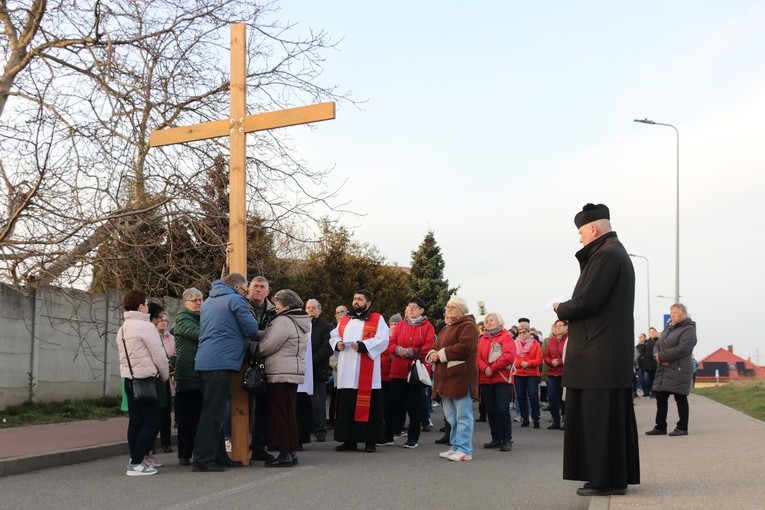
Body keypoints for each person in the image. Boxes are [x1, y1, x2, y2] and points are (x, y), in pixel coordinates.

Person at [554, 203, 640, 497]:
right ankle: (611, 477)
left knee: (599, 422)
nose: (579, 238)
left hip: (598, 357)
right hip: (604, 356)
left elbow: (588, 301)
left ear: (593, 229)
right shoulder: (614, 252)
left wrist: (560, 308)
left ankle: (604, 480)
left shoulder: (606, 254)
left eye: (580, 232)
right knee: (606, 421)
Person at [192, 273, 260, 472]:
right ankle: (203, 460)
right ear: (239, 288)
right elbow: (252, 328)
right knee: (212, 414)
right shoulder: (235, 300)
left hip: (205, 360)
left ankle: (219, 456)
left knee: (214, 412)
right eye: (246, 289)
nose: (247, 292)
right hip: (219, 362)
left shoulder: (210, 301)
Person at [116, 290, 170, 476]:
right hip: (146, 380)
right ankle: (136, 463)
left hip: (129, 380)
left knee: (135, 421)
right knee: (152, 421)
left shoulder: (123, 328)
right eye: (146, 303)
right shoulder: (145, 326)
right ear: (140, 306)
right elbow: (160, 357)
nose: (147, 306)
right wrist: (163, 376)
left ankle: (135, 459)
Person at [329, 290, 389, 453]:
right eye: (354, 298)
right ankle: (349, 440)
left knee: (369, 406)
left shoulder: (377, 318)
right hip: (347, 370)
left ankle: (370, 441)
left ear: (368, 303)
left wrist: (364, 346)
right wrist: (337, 344)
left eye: (360, 299)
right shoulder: (346, 319)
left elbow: (384, 339)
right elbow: (334, 335)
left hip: (366, 371)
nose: (356, 301)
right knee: (347, 405)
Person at [255, 289, 310, 467]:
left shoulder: (284, 321)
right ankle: (291, 451)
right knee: (288, 412)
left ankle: (284, 452)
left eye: (277, 305)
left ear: (286, 306)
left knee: (279, 414)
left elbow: (266, 347)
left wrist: (250, 345)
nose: (275, 309)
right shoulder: (299, 320)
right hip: (291, 371)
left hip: (280, 372)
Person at [427, 296, 479, 462]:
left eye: (452, 307)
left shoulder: (468, 326)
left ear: (461, 311)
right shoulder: (446, 328)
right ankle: (456, 446)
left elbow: (464, 348)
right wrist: (431, 354)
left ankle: (465, 449)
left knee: (463, 415)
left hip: (460, 377)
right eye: (447, 307)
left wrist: (439, 355)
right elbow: (435, 347)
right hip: (446, 379)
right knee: (451, 416)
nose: (447, 310)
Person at [385, 297, 435, 449]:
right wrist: (399, 350)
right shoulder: (400, 325)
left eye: (415, 306)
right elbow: (391, 344)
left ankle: (413, 438)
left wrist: (412, 351)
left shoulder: (428, 327)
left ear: (421, 310)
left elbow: (428, 347)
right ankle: (388, 435)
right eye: (409, 306)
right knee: (392, 404)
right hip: (398, 370)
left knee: (414, 406)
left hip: (416, 372)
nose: (411, 309)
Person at [645, 303, 697, 437]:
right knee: (661, 397)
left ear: (684, 314)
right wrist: (657, 356)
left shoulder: (689, 328)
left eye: (676, 312)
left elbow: (684, 348)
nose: (672, 314)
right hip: (664, 368)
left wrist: (662, 356)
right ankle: (660, 426)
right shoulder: (668, 327)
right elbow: (657, 344)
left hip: (679, 367)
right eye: (671, 312)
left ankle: (682, 427)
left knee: (680, 397)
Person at [476, 312, 516, 452]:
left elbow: (509, 356)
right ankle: (496, 438)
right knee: (490, 410)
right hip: (486, 380)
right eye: (487, 320)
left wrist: (491, 368)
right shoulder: (482, 339)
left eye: (492, 320)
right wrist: (485, 368)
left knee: (502, 409)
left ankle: (506, 439)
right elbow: (477, 357)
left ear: (499, 321)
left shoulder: (506, 337)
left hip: (501, 379)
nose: (489, 322)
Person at [174, 287, 203, 467]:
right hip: (187, 376)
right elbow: (199, 334)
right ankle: (184, 454)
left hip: (198, 374)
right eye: (195, 300)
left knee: (198, 416)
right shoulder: (183, 318)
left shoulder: (198, 317)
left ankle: (195, 451)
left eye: (201, 299)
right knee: (186, 419)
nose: (199, 303)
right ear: (186, 303)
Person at [305, 299, 334, 442]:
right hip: (303, 371)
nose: (310, 310)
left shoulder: (326, 326)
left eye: (313, 308)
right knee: (305, 403)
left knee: (318, 403)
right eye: (308, 308)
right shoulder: (302, 325)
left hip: (317, 370)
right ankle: (306, 429)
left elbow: (327, 347)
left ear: (320, 310)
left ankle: (320, 432)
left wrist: (310, 360)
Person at [150, 308, 176, 454]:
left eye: (166, 320)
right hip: (154, 378)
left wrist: (173, 362)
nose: (164, 323)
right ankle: (151, 443)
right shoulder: (151, 336)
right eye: (161, 319)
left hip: (167, 379)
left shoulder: (171, 338)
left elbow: (175, 353)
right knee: (154, 412)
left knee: (166, 412)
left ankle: (166, 443)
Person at [514, 326, 543, 428]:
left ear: (529, 332)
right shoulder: (515, 343)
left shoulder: (535, 344)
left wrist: (528, 363)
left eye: (524, 332)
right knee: (520, 396)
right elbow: (512, 358)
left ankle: (536, 418)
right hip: (518, 373)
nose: (522, 334)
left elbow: (539, 359)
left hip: (532, 373)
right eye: (520, 332)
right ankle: (525, 417)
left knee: (533, 395)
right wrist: (520, 364)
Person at [379, 313, 401, 444]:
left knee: (392, 405)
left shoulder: (399, 337)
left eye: (396, 324)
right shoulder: (384, 336)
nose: (393, 326)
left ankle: (393, 430)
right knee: (382, 405)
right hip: (382, 374)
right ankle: (384, 431)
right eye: (391, 324)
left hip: (394, 375)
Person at [543, 320, 567, 430]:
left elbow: (570, 354)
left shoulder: (569, 339)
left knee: (564, 398)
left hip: (564, 373)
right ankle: (556, 420)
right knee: (552, 397)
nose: (558, 328)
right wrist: (551, 361)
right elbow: (546, 355)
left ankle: (566, 420)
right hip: (552, 373)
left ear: (566, 327)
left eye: (560, 326)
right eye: (556, 326)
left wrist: (560, 362)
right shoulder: (551, 341)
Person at [637, 329, 658, 397]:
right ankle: (650, 392)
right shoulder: (646, 342)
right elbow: (642, 353)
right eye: (650, 332)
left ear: (656, 332)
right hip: (648, 364)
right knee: (648, 379)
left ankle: (655, 392)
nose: (652, 333)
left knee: (656, 378)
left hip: (657, 362)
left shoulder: (658, 341)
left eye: (653, 332)